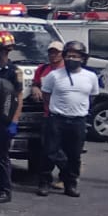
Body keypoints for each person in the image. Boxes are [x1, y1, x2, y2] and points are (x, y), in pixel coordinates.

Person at [38, 41, 100, 198]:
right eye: (69, 55)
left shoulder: (90, 76)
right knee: (50, 153)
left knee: (74, 155)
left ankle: (70, 184)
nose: (72, 59)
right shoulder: (54, 75)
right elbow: (46, 95)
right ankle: (44, 182)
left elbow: (92, 96)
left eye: (76, 56)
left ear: (83, 58)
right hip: (57, 119)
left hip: (78, 120)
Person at [0, 31, 24, 203]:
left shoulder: (14, 72)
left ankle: (5, 191)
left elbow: (19, 98)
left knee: (2, 157)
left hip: (5, 120)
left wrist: (14, 121)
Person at [29, 41, 66, 193]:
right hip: (47, 114)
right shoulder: (43, 69)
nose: (53, 55)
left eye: (57, 52)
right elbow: (36, 82)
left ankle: (67, 176)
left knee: (63, 150)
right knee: (48, 150)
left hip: (65, 115)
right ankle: (46, 179)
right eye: (51, 52)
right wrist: (35, 88)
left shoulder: (67, 70)